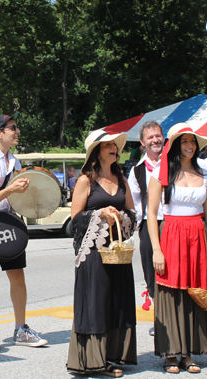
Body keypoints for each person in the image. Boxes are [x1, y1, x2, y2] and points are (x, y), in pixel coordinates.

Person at [128, 120, 207, 336]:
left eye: (158, 136)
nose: (155, 140)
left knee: (196, 283)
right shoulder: (139, 171)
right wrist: (143, 236)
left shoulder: (200, 169)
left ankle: (191, 343)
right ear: (143, 142)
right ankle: (167, 333)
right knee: (160, 281)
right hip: (159, 228)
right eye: (150, 137)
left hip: (193, 229)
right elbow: (137, 206)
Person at [147, 123, 207, 374]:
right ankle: (170, 353)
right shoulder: (162, 171)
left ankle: (188, 353)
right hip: (171, 234)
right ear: (176, 145)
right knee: (171, 294)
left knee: (195, 292)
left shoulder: (204, 173)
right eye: (184, 141)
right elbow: (150, 214)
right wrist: (156, 250)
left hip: (197, 235)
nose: (190, 146)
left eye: (192, 141)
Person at [0, 113, 48, 354]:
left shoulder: (13, 161)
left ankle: (20, 329)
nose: (17, 131)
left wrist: (37, 207)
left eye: (16, 127)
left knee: (18, 277)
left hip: (8, 222)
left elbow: (16, 196)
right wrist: (10, 189)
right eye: (12, 128)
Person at [66, 129, 138, 378]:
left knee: (118, 301)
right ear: (96, 151)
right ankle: (94, 360)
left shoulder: (122, 178)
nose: (113, 149)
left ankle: (114, 355)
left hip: (118, 251)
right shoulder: (86, 180)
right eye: (107, 145)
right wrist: (100, 215)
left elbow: (133, 214)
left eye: (115, 145)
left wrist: (121, 216)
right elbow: (74, 221)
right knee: (97, 302)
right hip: (93, 253)